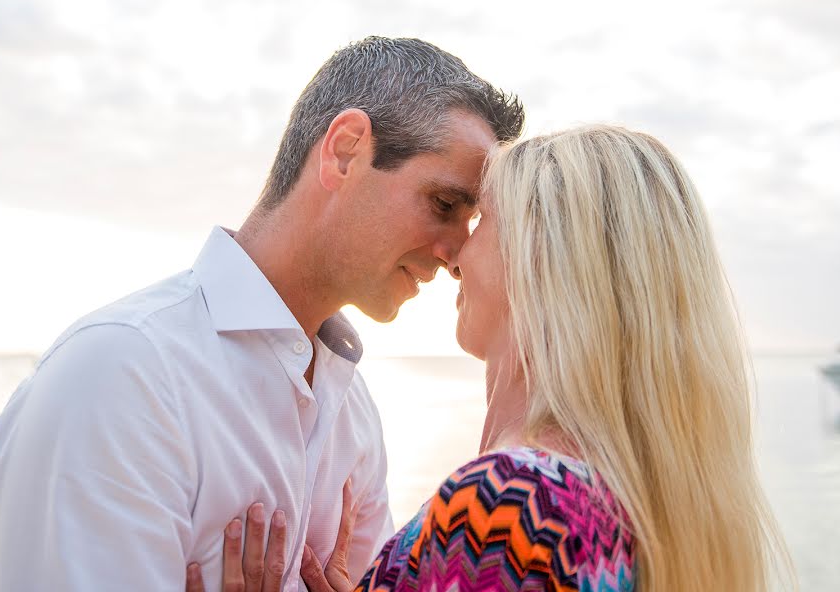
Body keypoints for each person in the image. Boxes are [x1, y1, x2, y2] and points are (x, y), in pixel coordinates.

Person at [0, 36, 524, 591]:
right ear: (344, 151)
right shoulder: (121, 375)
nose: (459, 254)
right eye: (444, 204)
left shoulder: (352, 412)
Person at [199, 126, 797, 592]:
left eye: (483, 220)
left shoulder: (512, 503)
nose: (455, 254)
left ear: (543, 258)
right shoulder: (623, 504)